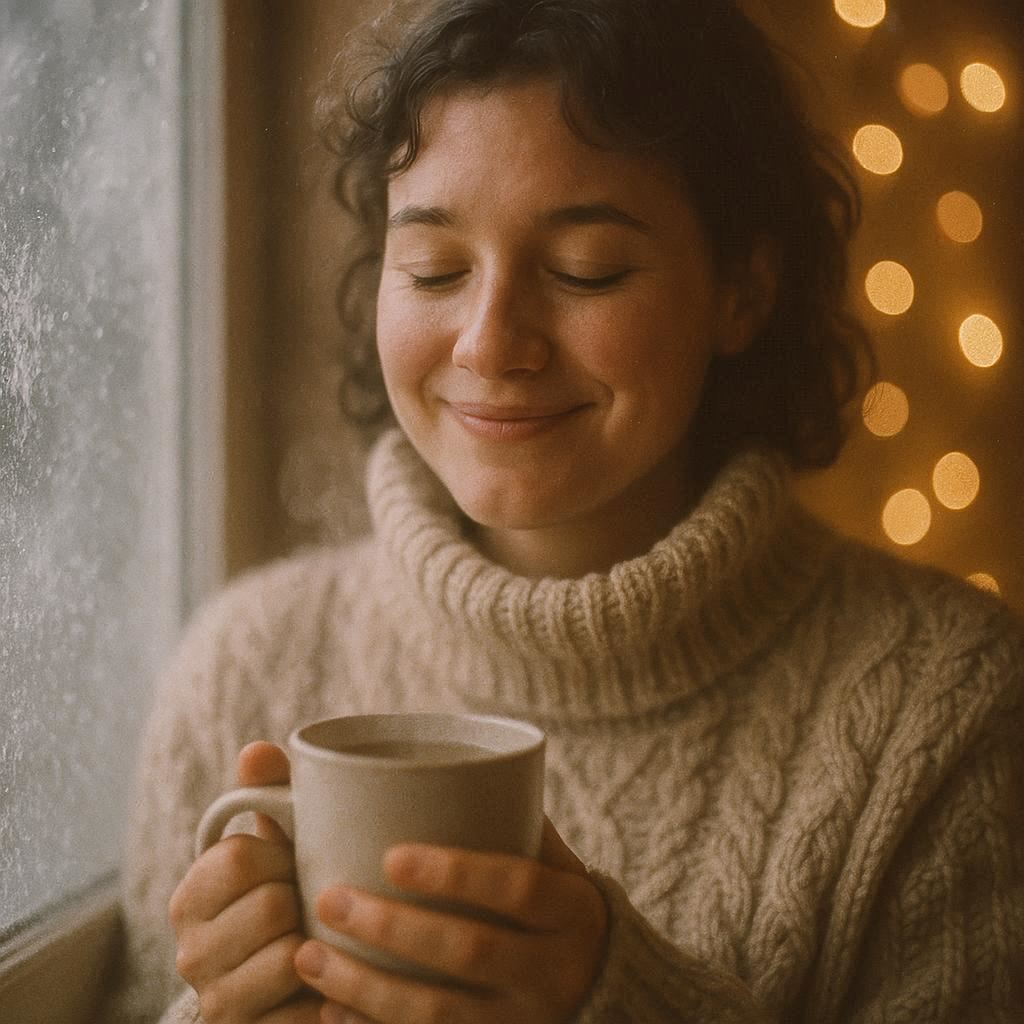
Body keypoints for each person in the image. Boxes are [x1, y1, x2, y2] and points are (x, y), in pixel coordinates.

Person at [101, 1, 1024, 1022]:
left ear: (743, 288)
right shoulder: (241, 671)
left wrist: (623, 1003)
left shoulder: (949, 713)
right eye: (434, 270)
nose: (491, 344)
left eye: (586, 269)